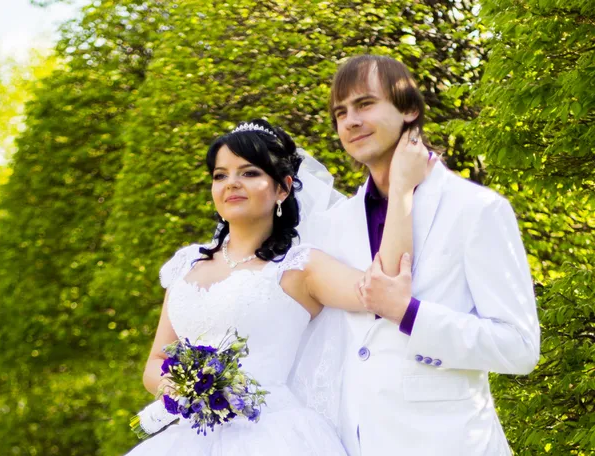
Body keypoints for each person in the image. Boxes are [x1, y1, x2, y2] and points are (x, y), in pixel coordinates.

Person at [126, 118, 433, 455]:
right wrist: (190, 390)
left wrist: (402, 189)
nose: (232, 183)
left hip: (273, 435)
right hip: (188, 436)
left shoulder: (299, 267)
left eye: (249, 173)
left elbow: (384, 285)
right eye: (220, 175)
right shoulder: (187, 264)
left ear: (283, 189)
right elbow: (155, 362)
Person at [313, 54, 541, 455]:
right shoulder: (335, 222)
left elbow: (519, 346)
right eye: (340, 112)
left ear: (409, 109)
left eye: (365, 104)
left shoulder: (477, 209)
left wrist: (411, 315)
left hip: (451, 442)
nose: (349, 121)